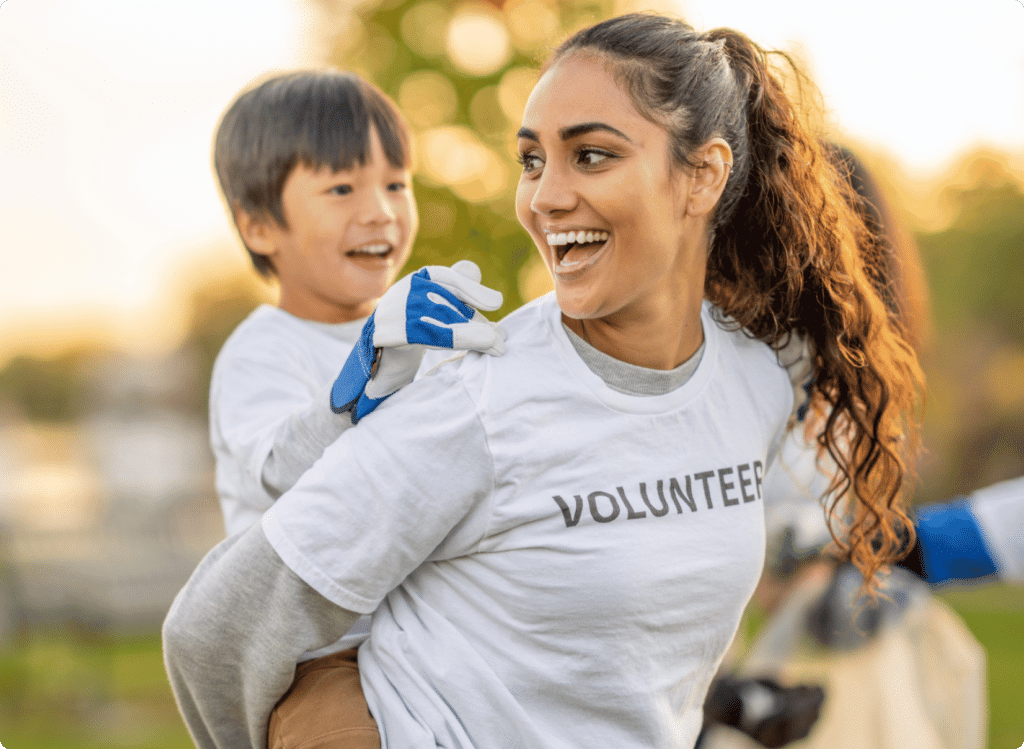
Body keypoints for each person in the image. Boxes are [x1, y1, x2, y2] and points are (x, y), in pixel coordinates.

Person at [163, 13, 924, 749]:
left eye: (590, 154)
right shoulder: (477, 401)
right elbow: (213, 631)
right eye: (532, 160)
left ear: (702, 177)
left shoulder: (756, 384)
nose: (544, 197)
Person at [204, 69, 506, 749]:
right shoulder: (259, 351)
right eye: (341, 188)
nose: (381, 211)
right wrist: (358, 388)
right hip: (323, 647)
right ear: (258, 225)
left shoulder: (416, 329)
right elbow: (279, 466)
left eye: (396, 183)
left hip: (434, 622)